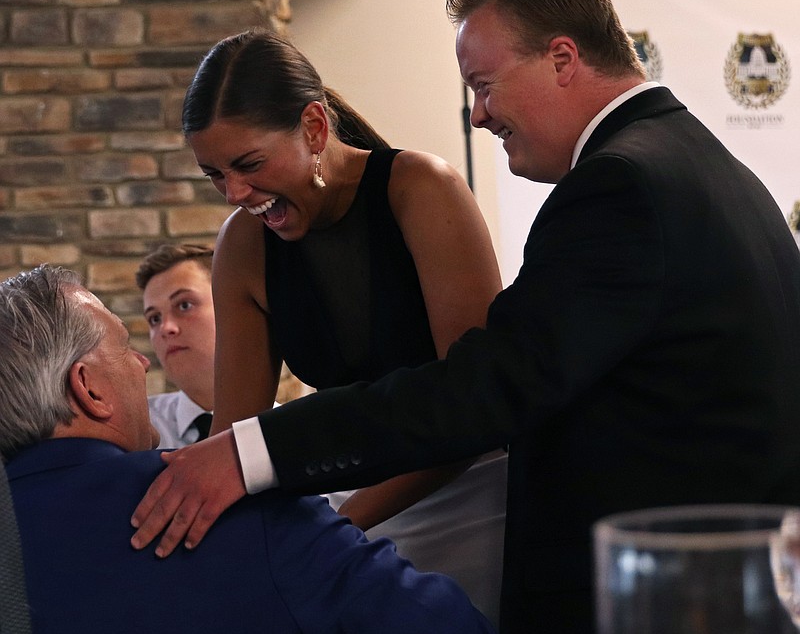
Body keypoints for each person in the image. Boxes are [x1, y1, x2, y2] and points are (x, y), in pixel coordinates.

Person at [130, 0, 800, 632]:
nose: (477, 115)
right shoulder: (696, 161)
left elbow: (482, 387)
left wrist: (260, 455)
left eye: (484, 86)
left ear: (562, 58)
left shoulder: (619, 186)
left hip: (675, 591)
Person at [160, 28, 507, 623]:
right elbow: (233, 435)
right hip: (356, 500)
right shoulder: (242, 243)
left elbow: (472, 408)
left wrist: (336, 528)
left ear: (315, 127)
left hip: (479, 494)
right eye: (214, 174)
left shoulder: (423, 190)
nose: (234, 194)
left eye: (248, 164)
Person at [0, 264, 494, 634]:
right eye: (127, 343)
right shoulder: (235, 505)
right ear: (88, 388)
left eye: (185, 305)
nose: (142, 362)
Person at [136, 243, 217, 448]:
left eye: (184, 305)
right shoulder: (137, 432)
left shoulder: (289, 431)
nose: (165, 328)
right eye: (154, 318)